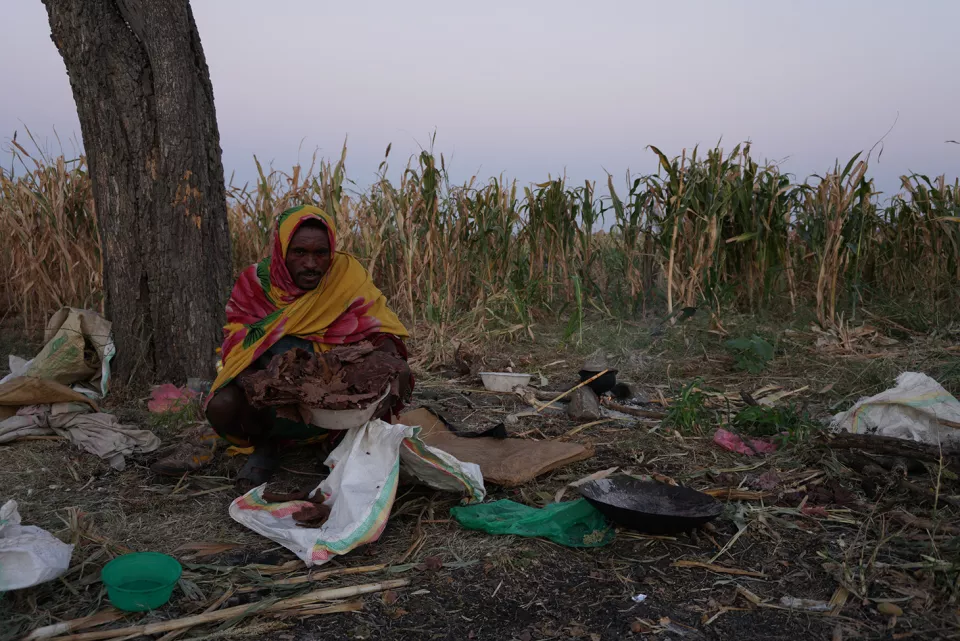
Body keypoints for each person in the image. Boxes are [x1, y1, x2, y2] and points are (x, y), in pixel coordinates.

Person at [151, 205, 412, 488]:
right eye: (299, 252)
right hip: (273, 404)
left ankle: (343, 444)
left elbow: (382, 331)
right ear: (281, 250)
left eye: (321, 253)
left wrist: (386, 365)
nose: (311, 264)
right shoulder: (257, 284)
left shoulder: (346, 277)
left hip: (339, 406)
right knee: (223, 405)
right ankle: (266, 447)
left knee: (397, 372)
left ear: (332, 252)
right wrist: (269, 382)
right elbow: (238, 346)